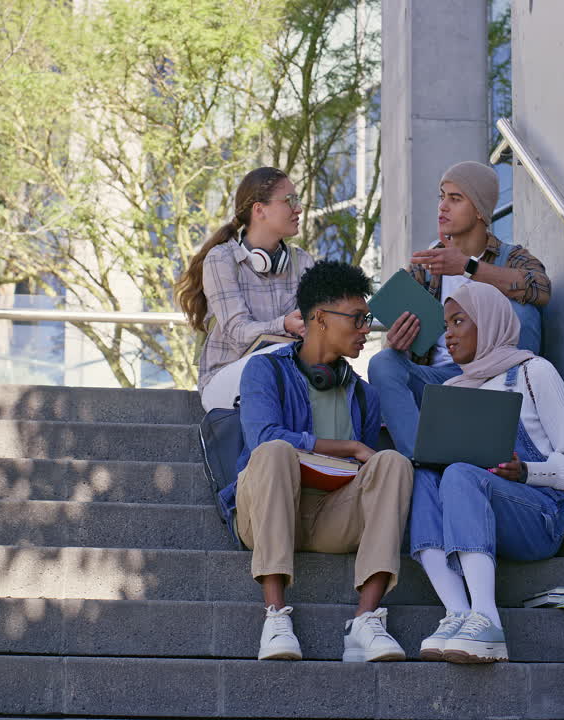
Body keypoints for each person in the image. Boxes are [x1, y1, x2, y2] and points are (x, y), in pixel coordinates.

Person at [223, 261, 414, 662]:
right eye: (358, 318)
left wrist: (362, 457)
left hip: (332, 517)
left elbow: (366, 474)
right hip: (268, 511)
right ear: (320, 319)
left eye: (369, 319)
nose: (367, 329)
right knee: (275, 450)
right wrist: (349, 448)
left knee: (393, 462)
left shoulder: (364, 395)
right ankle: (275, 618)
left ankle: (365, 621)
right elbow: (262, 438)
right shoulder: (265, 370)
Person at [409, 281, 564, 663]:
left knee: (460, 474)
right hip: (481, 513)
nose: (448, 335)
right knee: (424, 477)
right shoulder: (457, 388)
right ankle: (457, 612)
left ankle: (487, 619)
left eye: (459, 321)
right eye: (446, 325)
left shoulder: (533, 373)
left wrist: (526, 472)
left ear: (489, 323)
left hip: (540, 516)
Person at [368, 160, 551, 456]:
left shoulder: (509, 256)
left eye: (455, 199)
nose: (442, 207)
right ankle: (420, 456)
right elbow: (401, 344)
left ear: (479, 210)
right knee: (383, 362)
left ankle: (516, 420)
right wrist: (397, 343)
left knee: (524, 310)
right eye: (441, 197)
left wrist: (468, 268)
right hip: (441, 381)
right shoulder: (429, 267)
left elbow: (540, 288)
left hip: (496, 379)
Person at [176, 167, 316, 411]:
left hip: (286, 376)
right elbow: (238, 335)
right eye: (290, 200)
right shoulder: (221, 259)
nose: (299, 209)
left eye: (298, 200)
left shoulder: (303, 262)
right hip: (225, 381)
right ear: (259, 210)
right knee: (280, 357)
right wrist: (283, 325)